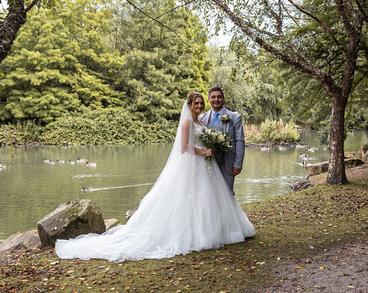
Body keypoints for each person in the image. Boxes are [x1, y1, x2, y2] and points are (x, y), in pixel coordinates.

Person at [55, 91, 255, 262]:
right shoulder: (187, 122)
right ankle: (194, 235)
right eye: (197, 103)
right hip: (193, 164)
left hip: (204, 166)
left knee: (205, 198)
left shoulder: (200, 120)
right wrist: (205, 153)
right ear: (190, 105)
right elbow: (184, 148)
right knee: (192, 198)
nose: (200, 105)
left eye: (202, 102)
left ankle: (211, 232)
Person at [200, 86, 245, 194]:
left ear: (223, 98)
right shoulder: (202, 118)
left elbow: (240, 141)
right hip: (207, 164)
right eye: (213, 97)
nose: (216, 100)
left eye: (219, 97)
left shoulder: (235, 117)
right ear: (209, 99)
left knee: (227, 194)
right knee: (209, 195)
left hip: (228, 163)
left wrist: (237, 164)